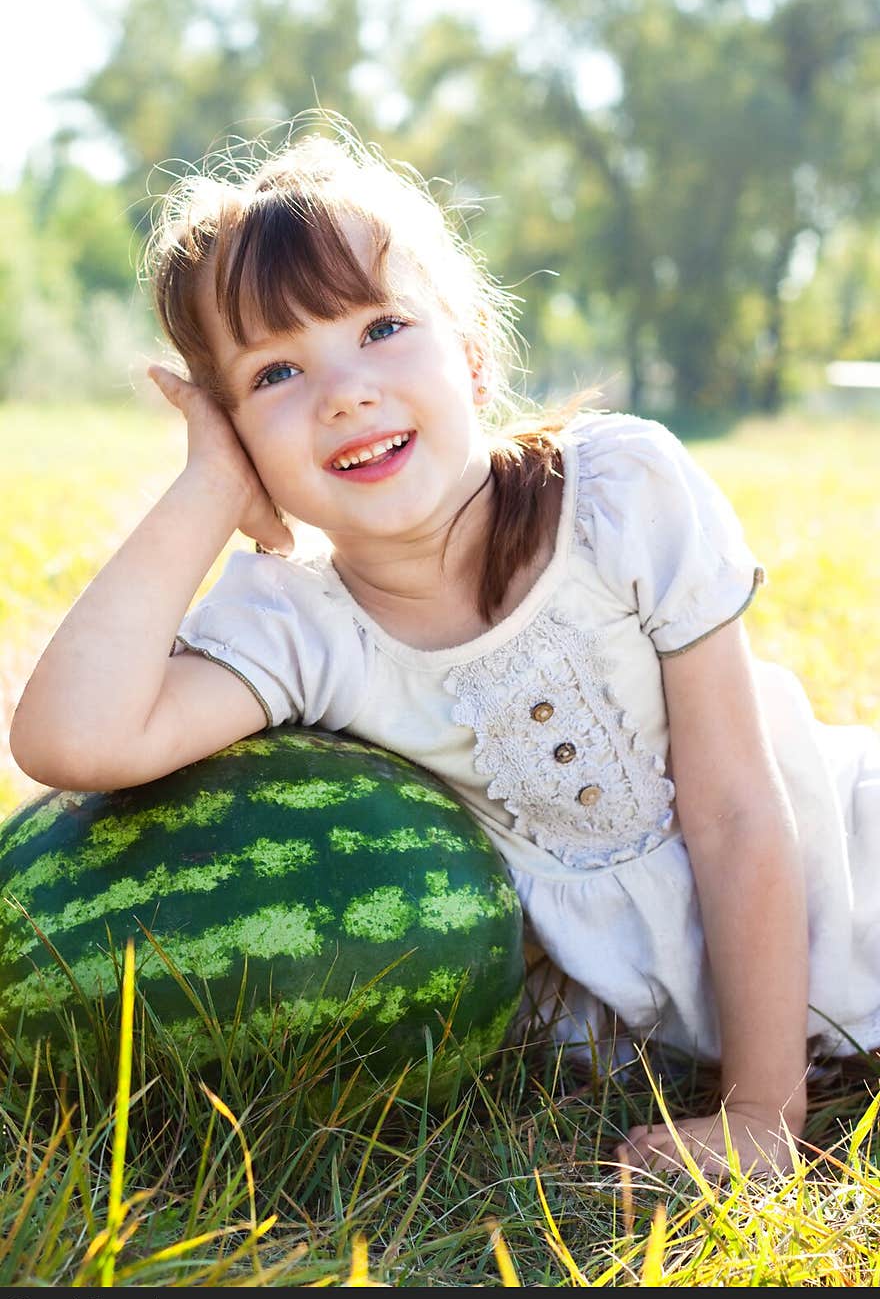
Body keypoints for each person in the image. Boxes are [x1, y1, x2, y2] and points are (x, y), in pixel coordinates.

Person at [10, 113, 880, 1181]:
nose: (346, 391)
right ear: (236, 432)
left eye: (380, 329)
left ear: (469, 354)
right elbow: (71, 739)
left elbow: (739, 806)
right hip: (630, 1012)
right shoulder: (302, 629)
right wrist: (203, 491)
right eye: (275, 374)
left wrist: (759, 1112)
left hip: (841, 876)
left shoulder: (618, 498)